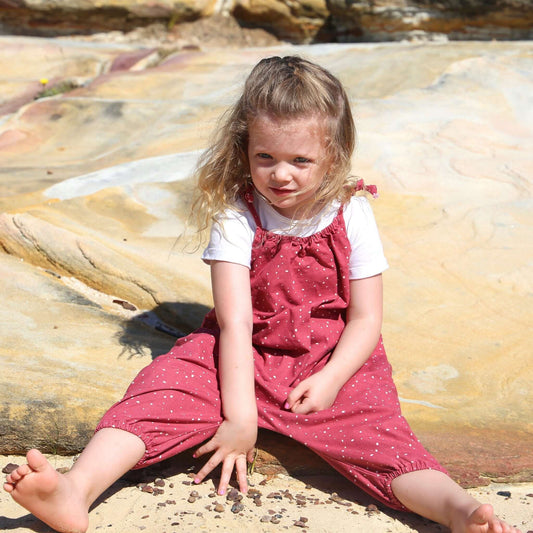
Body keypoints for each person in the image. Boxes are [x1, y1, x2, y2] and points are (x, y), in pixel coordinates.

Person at [4, 56, 521, 533]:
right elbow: (234, 325)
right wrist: (240, 419)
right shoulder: (237, 217)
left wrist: (331, 379)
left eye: (300, 159)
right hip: (239, 351)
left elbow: (366, 320)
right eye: (265, 156)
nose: (280, 174)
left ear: (334, 154)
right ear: (244, 148)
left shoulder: (353, 211)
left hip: (328, 357)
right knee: (161, 394)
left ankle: (458, 511)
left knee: (377, 435)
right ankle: (75, 489)